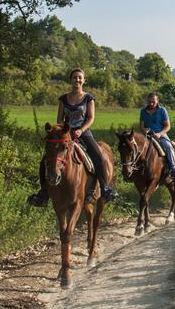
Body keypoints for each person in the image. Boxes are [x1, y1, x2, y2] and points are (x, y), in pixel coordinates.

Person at [28, 68, 117, 206]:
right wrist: (59, 131)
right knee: (45, 159)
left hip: (84, 132)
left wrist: (81, 130)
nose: (77, 80)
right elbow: (59, 119)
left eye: (80, 77)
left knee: (98, 156)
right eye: (75, 77)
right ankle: (43, 193)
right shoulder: (63, 99)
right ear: (71, 80)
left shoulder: (88, 98)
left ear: (84, 80)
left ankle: (105, 188)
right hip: (65, 133)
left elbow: (91, 118)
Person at [141, 91, 175, 183]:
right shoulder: (143, 111)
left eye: (153, 101)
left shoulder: (162, 110)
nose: (151, 103)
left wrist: (159, 134)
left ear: (157, 100)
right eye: (149, 101)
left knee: (168, 147)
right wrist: (144, 130)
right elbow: (142, 125)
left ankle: (173, 169)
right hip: (147, 135)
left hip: (160, 135)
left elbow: (168, 126)